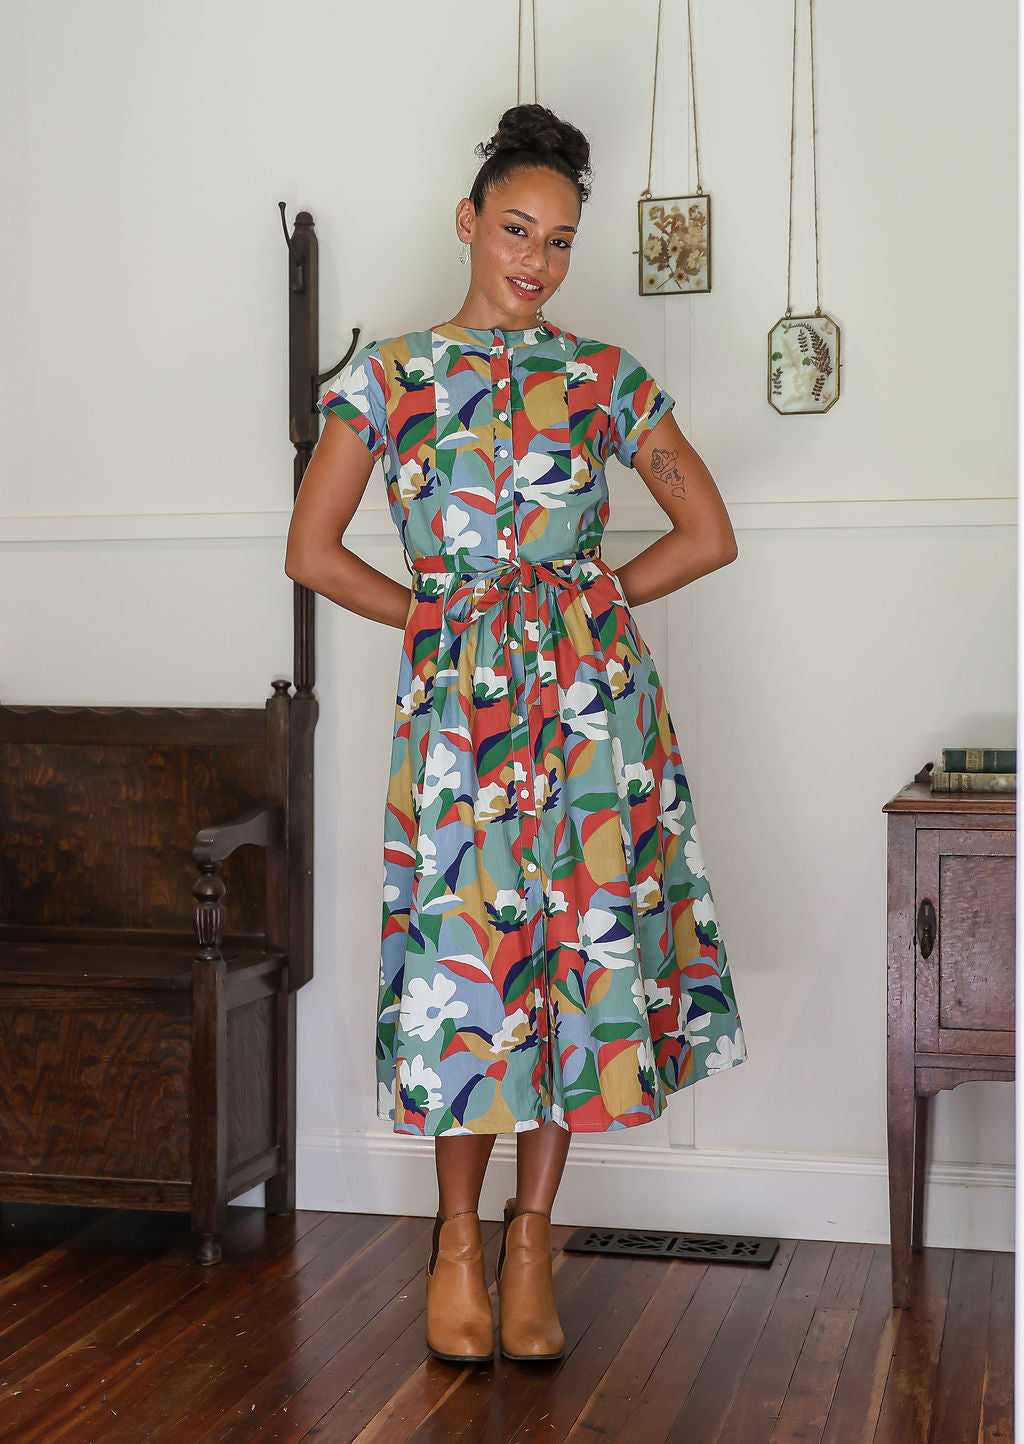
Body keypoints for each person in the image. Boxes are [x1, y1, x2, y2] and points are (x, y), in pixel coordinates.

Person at [285, 102, 748, 1366]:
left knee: (576, 977)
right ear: (467, 223)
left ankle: (531, 1240)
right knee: (469, 974)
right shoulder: (384, 379)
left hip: (593, 714)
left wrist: (590, 597)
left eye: (557, 240)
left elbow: (705, 532)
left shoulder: (603, 378)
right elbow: (311, 551)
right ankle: (453, 1244)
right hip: (458, 722)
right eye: (513, 229)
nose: (534, 259)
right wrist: (435, 618)